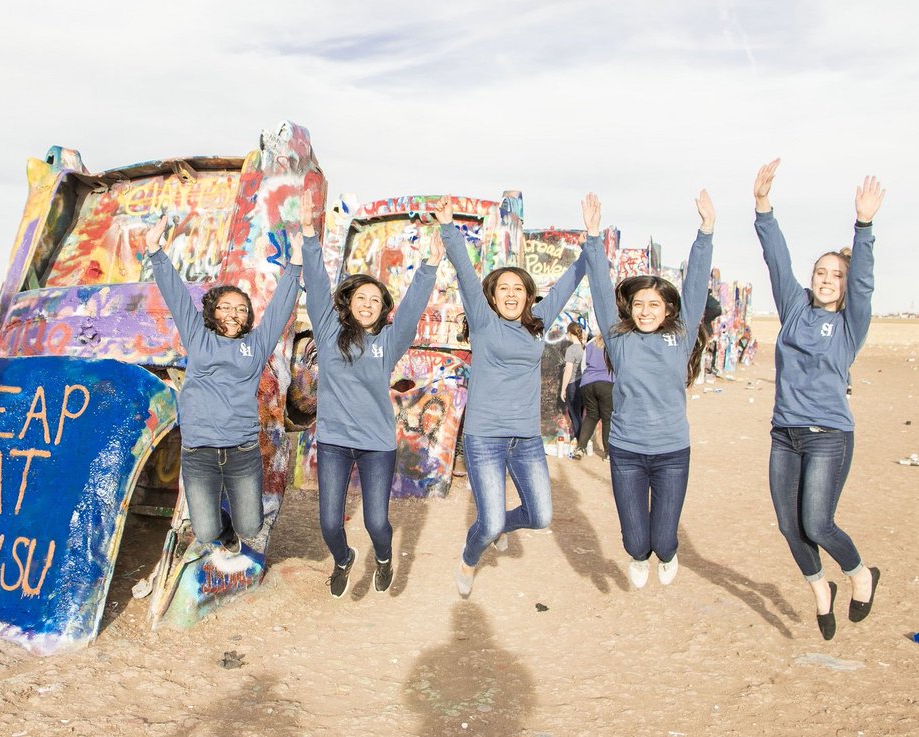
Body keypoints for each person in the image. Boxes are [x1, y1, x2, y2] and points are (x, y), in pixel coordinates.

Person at [753, 158, 882, 640]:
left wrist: (863, 225)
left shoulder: (850, 325)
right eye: (821, 272)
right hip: (784, 435)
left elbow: (864, 278)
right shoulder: (793, 309)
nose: (827, 279)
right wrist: (763, 207)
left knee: (817, 522)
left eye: (836, 275)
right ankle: (819, 589)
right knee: (790, 526)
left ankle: (859, 575)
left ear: (845, 286)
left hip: (828, 435)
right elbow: (777, 261)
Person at [438, 198, 588, 597]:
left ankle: (500, 525)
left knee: (541, 516)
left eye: (517, 289)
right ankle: (470, 558)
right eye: (502, 288)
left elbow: (570, 284)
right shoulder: (484, 323)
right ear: (492, 296)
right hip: (485, 437)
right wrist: (450, 228)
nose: (510, 294)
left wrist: (591, 240)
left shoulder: (537, 328)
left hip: (525, 439)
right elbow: (466, 275)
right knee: (486, 525)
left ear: (527, 296)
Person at [298, 191, 443, 597]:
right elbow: (315, 279)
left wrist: (430, 264)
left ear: (382, 309)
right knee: (330, 523)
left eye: (374, 300)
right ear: (348, 303)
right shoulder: (327, 331)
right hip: (333, 442)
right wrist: (309, 233)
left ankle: (382, 556)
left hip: (377, 444)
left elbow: (413, 308)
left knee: (376, 523)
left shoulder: (389, 342)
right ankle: (343, 559)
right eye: (360, 298)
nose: (367, 304)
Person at [580, 191, 715, 588]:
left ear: (668, 310)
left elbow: (695, 286)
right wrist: (593, 235)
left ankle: (668, 554)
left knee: (665, 539)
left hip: (672, 451)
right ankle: (639, 558)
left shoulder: (682, 335)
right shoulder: (618, 338)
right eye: (639, 304)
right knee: (637, 541)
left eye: (654, 304)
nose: (645, 311)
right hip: (626, 451)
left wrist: (705, 231)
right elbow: (602, 290)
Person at [144, 218, 302, 553]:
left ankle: (239, 527)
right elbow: (175, 296)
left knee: (252, 525)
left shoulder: (256, 345)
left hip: (242, 451)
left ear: (248, 318)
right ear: (213, 311)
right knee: (205, 531)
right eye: (226, 307)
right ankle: (223, 530)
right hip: (199, 451)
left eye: (242, 309)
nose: (233, 313)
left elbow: (279, 309)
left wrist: (296, 263)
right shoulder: (198, 337)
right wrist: (156, 250)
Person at [573, 334, 613, 461]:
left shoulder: (590, 343)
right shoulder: (612, 343)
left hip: (587, 383)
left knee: (591, 415)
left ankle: (580, 447)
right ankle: (608, 453)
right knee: (607, 418)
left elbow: (583, 366)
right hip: (607, 382)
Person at [557, 321, 586, 452]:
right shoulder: (585, 348)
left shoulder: (571, 349)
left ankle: (579, 442)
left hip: (573, 384)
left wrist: (563, 389)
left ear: (570, 333)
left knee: (574, 415)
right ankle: (582, 441)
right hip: (584, 384)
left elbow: (568, 371)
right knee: (581, 414)